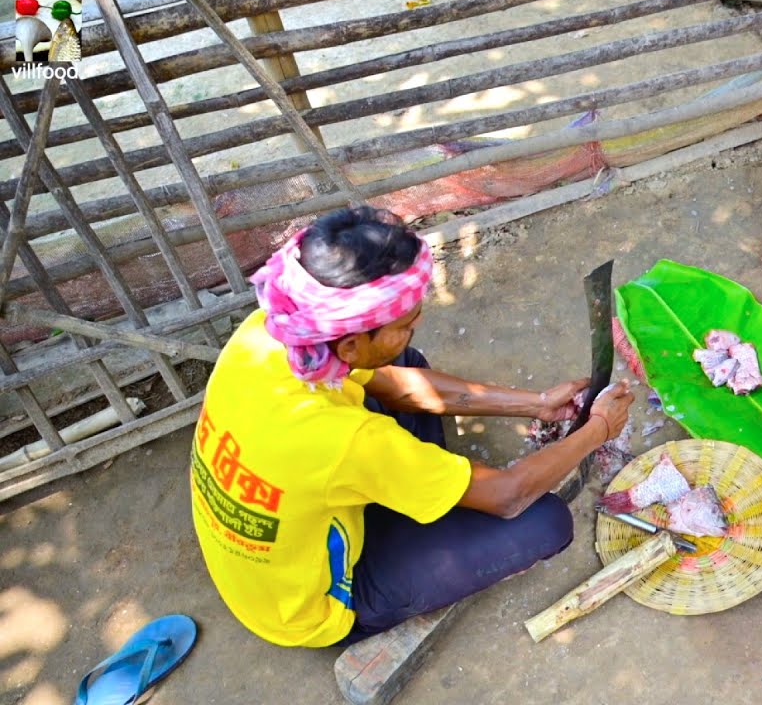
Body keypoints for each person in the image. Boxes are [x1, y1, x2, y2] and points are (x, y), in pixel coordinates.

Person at [190, 206, 634, 648]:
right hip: (311, 608)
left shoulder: (271, 333)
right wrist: (596, 429)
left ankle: (421, 488)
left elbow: (396, 386)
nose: (414, 328)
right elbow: (508, 496)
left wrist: (536, 405)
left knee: (401, 367)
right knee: (544, 523)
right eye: (404, 325)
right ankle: (405, 526)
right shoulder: (347, 440)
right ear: (349, 342)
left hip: (274, 560)